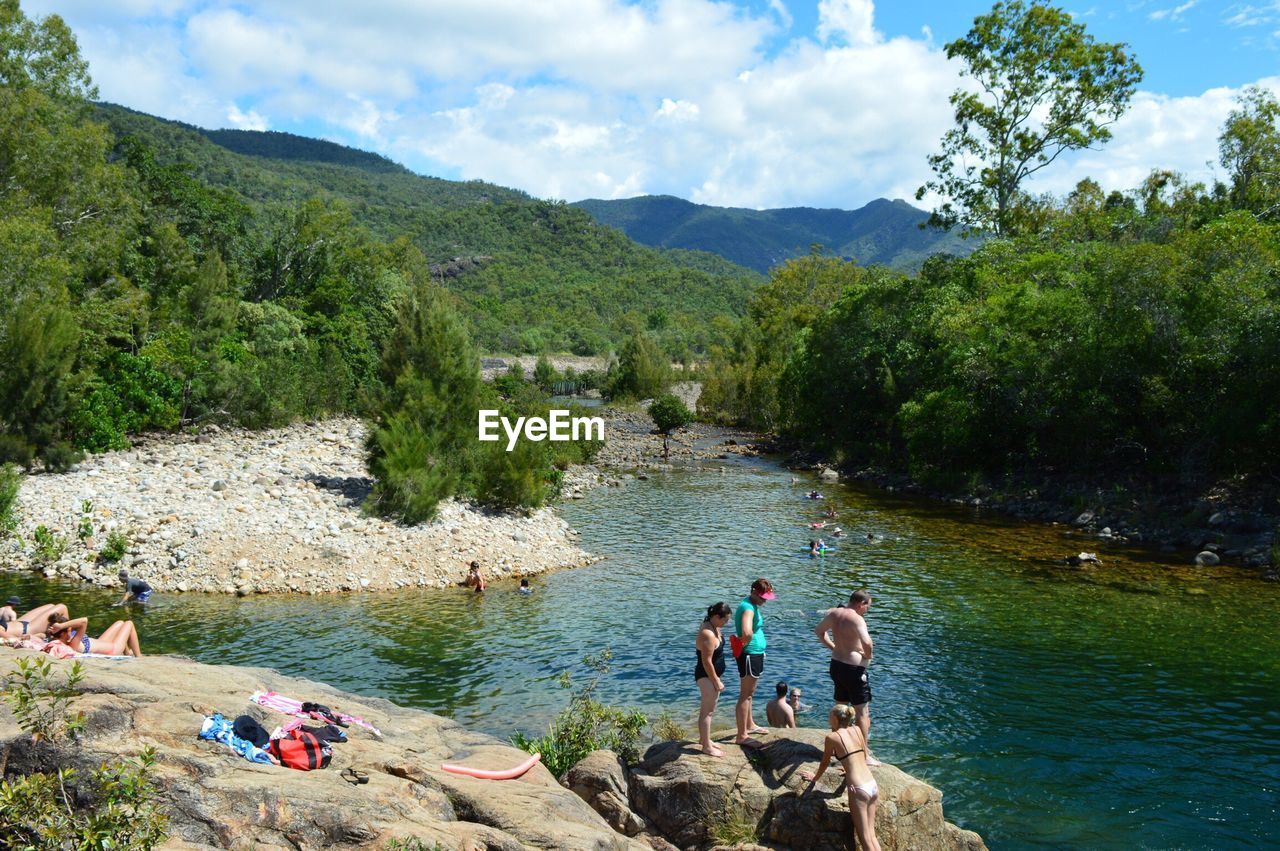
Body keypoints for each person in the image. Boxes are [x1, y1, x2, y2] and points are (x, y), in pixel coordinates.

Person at [800, 704, 882, 851]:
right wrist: (848, 768)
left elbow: (824, 763)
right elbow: (863, 755)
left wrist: (814, 778)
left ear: (836, 719)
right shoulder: (857, 729)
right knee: (872, 836)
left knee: (865, 839)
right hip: (871, 784)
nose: (828, 717)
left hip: (858, 789)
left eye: (830, 715)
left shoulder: (832, 737)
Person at [814, 589, 880, 765]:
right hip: (853, 670)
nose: (867, 611)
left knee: (840, 708)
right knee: (862, 713)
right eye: (868, 607)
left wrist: (833, 647)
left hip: (836, 665)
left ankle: (837, 748)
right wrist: (868, 656)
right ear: (861, 603)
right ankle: (864, 755)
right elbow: (867, 642)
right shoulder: (857, 619)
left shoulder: (834, 613)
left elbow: (819, 631)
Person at [734, 578, 774, 747]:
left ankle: (749, 725)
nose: (765, 600)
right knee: (745, 695)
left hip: (753, 654)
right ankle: (742, 735)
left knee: (749, 693)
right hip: (750, 654)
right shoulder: (748, 608)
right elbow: (746, 631)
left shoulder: (750, 605)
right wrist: (745, 642)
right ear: (753, 592)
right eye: (763, 597)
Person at [694, 601, 733, 756]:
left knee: (710, 710)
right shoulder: (707, 633)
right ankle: (706, 747)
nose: (727, 623)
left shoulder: (713, 626)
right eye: (725, 620)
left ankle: (705, 740)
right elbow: (706, 661)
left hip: (712, 675)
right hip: (706, 676)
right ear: (717, 617)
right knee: (707, 712)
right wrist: (716, 680)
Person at [44, 613, 143, 656]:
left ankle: (127, 653)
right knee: (129, 623)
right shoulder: (73, 644)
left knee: (120, 623)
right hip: (113, 649)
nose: (71, 630)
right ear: (63, 633)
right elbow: (84, 621)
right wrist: (61, 626)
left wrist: (58, 627)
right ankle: (139, 657)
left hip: (102, 642)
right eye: (69, 629)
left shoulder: (61, 640)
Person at [1, 602, 69, 639]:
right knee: (62, 607)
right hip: (27, 629)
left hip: (20, 623)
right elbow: (14, 639)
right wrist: (35, 636)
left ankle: (65, 633)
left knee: (51, 606)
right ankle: (67, 637)